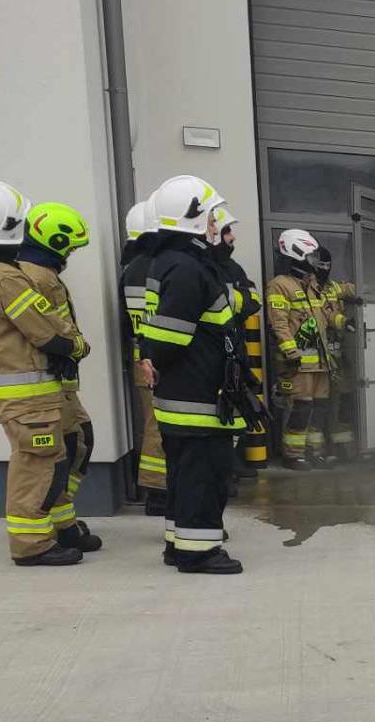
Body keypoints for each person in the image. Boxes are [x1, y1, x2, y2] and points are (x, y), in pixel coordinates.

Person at [0, 180, 88, 567]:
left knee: (48, 458)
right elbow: (45, 331)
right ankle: (32, 545)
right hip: (26, 392)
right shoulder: (5, 279)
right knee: (37, 464)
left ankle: (52, 530)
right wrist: (77, 346)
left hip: (12, 391)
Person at [139, 174, 250, 574]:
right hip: (196, 397)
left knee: (187, 476)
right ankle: (197, 552)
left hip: (189, 394)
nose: (217, 226)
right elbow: (170, 339)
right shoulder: (187, 268)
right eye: (212, 218)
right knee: (203, 476)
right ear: (194, 219)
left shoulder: (177, 262)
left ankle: (179, 543)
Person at [18, 201, 102, 552]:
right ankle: (56, 526)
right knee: (64, 452)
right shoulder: (40, 277)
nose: (70, 254)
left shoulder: (38, 273)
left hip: (59, 380)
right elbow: (54, 328)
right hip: (49, 381)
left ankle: (64, 519)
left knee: (76, 443)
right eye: (70, 246)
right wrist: (78, 347)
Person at [208, 206, 269, 477]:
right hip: (213, 350)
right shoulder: (203, 267)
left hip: (234, 348)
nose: (232, 237)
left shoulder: (233, 268)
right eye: (226, 232)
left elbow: (253, 299)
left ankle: (232, 463)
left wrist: (233, 302)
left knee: (235, 405)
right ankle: (224, 468)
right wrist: (236, 301)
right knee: (217, 408)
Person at [120, 200, 169, 515]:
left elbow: (126, 322)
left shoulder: (131, 270)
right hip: (161, 357)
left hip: (142, 356)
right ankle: (158, 492)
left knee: (153, 423)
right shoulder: (158, 266)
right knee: (159, 426)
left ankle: (157, 489)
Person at [266, 229, 329, 470]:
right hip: (298, 363)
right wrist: (291, 353)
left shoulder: (311, 285)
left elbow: (323, 317)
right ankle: (293, 455)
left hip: (320, 362)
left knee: (319, 408)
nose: (315, 261)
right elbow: (279, 323)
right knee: (300, 408)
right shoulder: (279, 285)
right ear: (297, 253)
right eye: (312, 255)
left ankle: (314, 452)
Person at [313, 246, 360, 463]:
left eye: (327, 265)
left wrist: (369, 291)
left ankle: (341, 448)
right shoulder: (309, 289)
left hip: (338, 355)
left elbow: (352, 289)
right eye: (320, 265)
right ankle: (319, 450)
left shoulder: (333, 287)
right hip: (318, 355)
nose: (325, 269)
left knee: (341, 400)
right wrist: (343, 321)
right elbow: (325, 314)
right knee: (321, 403)